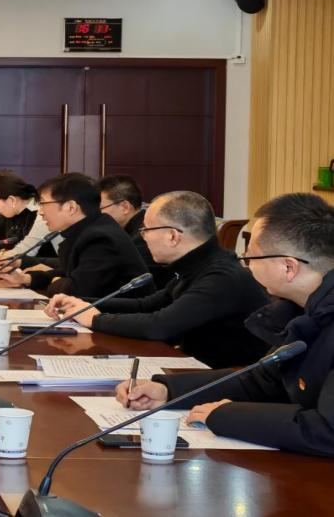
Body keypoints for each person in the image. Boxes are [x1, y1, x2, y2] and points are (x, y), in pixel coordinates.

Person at [117, 193, 334, 457]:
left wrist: (226, 415)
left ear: (288, 267)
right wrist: (168, 390)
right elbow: (261, 382)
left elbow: (327, 431)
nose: (247, 267)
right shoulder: (299, 309)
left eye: (251, 258)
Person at [44, 191, 270, 367]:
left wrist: (94, 319)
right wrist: (84, 304)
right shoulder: (197, 265)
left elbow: (160, 325)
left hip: (224, 380)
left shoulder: (221, 276)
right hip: (196, 367)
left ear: (172, 236)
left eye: (147, 230)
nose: (143, 237)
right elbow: (147, 305)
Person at [0, 172, 153, 300]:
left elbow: (75, 290)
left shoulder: (100, 237)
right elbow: (66, 273)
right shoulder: (88, 230)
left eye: (43, 204)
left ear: (71, 207)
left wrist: (57, 282)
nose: (40, 212)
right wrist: (24, 279)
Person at [98, 174, 172, 288]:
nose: (96, 214)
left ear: (125, 207)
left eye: (100, 208)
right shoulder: (127, 232)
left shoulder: (143, 237)